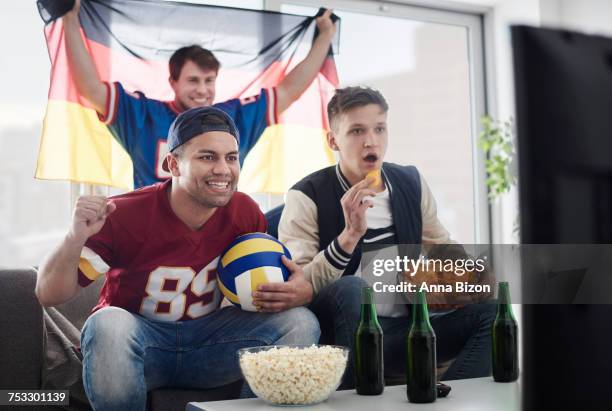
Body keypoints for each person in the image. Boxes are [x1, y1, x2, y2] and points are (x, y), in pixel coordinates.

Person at [35, 107, 320, 410]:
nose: (223, 169)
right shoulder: (124, 215)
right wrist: (73, 237)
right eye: (207, 157)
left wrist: (293, 290)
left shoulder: (245, 212)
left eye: (231, 157)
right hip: (139, 349)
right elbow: (48, 293)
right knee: (108, 324)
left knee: (299, 322)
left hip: (210, 345)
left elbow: (255, 295)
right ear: (173, 164)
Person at [255, 86, 496, 387]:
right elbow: (302, 284)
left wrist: (470, 272)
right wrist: (349, 236)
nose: (371, 141)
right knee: (354, 288)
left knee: (495, 311)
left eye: (379, 129)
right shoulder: (306, 195)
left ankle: (450, 399)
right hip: (347, 337)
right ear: (333, 140)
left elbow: (441, 246)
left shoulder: (410, 182)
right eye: (356, 131)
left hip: (409, 332)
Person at [63, 0, 337, 188]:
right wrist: (70, 19)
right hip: (153, 228)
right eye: (193, 80)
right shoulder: (142, 114)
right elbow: (90, 87)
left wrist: (324, 36)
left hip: (216, 231)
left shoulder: (233, 117)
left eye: (209, 80)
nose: (203, 90)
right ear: (173, 81)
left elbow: (290, 89)